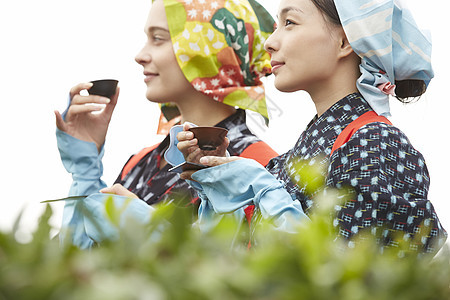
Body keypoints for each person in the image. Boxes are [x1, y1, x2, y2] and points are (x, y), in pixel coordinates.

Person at [176, 0, 447, 252]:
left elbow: (352, 279)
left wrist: (260, 188)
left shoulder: (377, 143)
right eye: (274, 27)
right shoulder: (293, 159)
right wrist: (218, 185)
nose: (270, 42)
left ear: (345, 41)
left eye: (290, 23)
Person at [55, 0, 278, 248]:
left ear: (206, 48)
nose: (140, 56)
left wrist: (156, 237)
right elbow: (76, 264)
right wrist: (86, 167)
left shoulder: (258, 163)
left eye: (158, 38)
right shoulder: (140, 161)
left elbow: (246, 276)